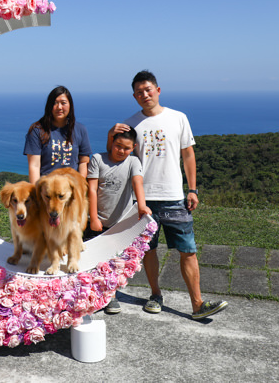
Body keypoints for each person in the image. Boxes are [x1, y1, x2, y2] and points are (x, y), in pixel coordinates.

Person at [109, 70, 228, 320]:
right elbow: (118, 156)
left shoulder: (178, 118)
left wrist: (192, 189)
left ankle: (198, 304)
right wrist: (112, 135)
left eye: (148, 89)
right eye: (139, 92)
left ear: (158, 90)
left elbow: (188, 155)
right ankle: (155, 295)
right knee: (149, 250)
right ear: (134, 96)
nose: (145, 94)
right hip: (143, 199)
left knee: (188, 250)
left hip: (174, 196)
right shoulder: (131, 124)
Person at [85, 126, 152, 314]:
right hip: (97, 221)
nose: (121, 151)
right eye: (118, 146)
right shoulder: (98, 159)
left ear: (133, 148)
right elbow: (92, 189)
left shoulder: (133, 161)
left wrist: (141, 205)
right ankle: (90, 295)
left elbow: (137, 182)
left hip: (120, 223)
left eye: (126, 148)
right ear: (111, 143)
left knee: (115, 262)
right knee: (93, 259)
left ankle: (111, 296)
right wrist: (94, 219)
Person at [24, 86, 92, 183]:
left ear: (70, 105)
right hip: (47, 190)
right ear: (49, 106)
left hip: (71, 188)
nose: (59, 107)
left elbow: (84, 162)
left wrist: (79, 186)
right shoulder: (37, 130)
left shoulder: (80, 129)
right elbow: (34, 166)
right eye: (55, 103)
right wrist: (37, 194)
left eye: (63, 103)